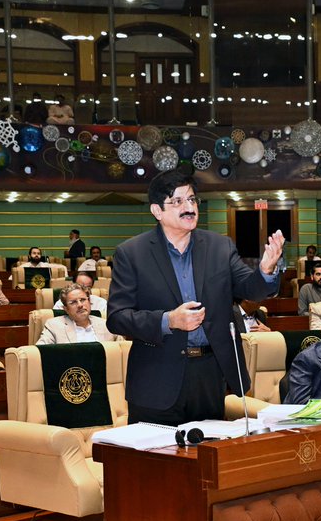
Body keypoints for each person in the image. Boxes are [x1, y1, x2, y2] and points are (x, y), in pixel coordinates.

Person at [106, 170, 282, 426]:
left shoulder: (219, 247)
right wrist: (168, 320)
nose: (189, 207)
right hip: (156, 377)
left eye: (192, 199)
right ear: (157, 211)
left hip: (209, 375)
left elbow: (249, 288)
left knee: (205, 459)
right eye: (177, 201)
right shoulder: (132, 253)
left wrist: (265, 271)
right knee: (157, 461)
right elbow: (117, 317)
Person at [38, 284, 115, 344]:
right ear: (66, 309)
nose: (80, 305)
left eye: (83, 300)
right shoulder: (54, 326)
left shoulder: (106, 325)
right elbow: (41, 352)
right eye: (73, 302)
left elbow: (122, 348)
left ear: (89, 302)